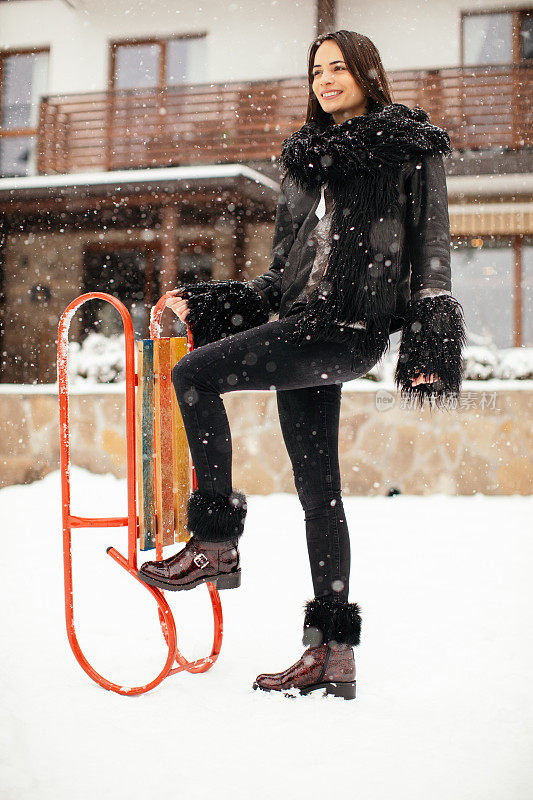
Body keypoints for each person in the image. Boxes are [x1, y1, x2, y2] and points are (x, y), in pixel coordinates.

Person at [138, 30, 466, 700]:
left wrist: (428, 342)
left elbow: (431, 251)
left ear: (367, 74)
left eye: (339, 67)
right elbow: (276, 279)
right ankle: (331, 655)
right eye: (317, 69)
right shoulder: (305, 160)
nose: (326, 78)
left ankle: (214, 540)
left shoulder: (407, 146)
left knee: (192, 375)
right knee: (319, 492)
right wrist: (198, 301)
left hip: (347, 330)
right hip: (300, 329)